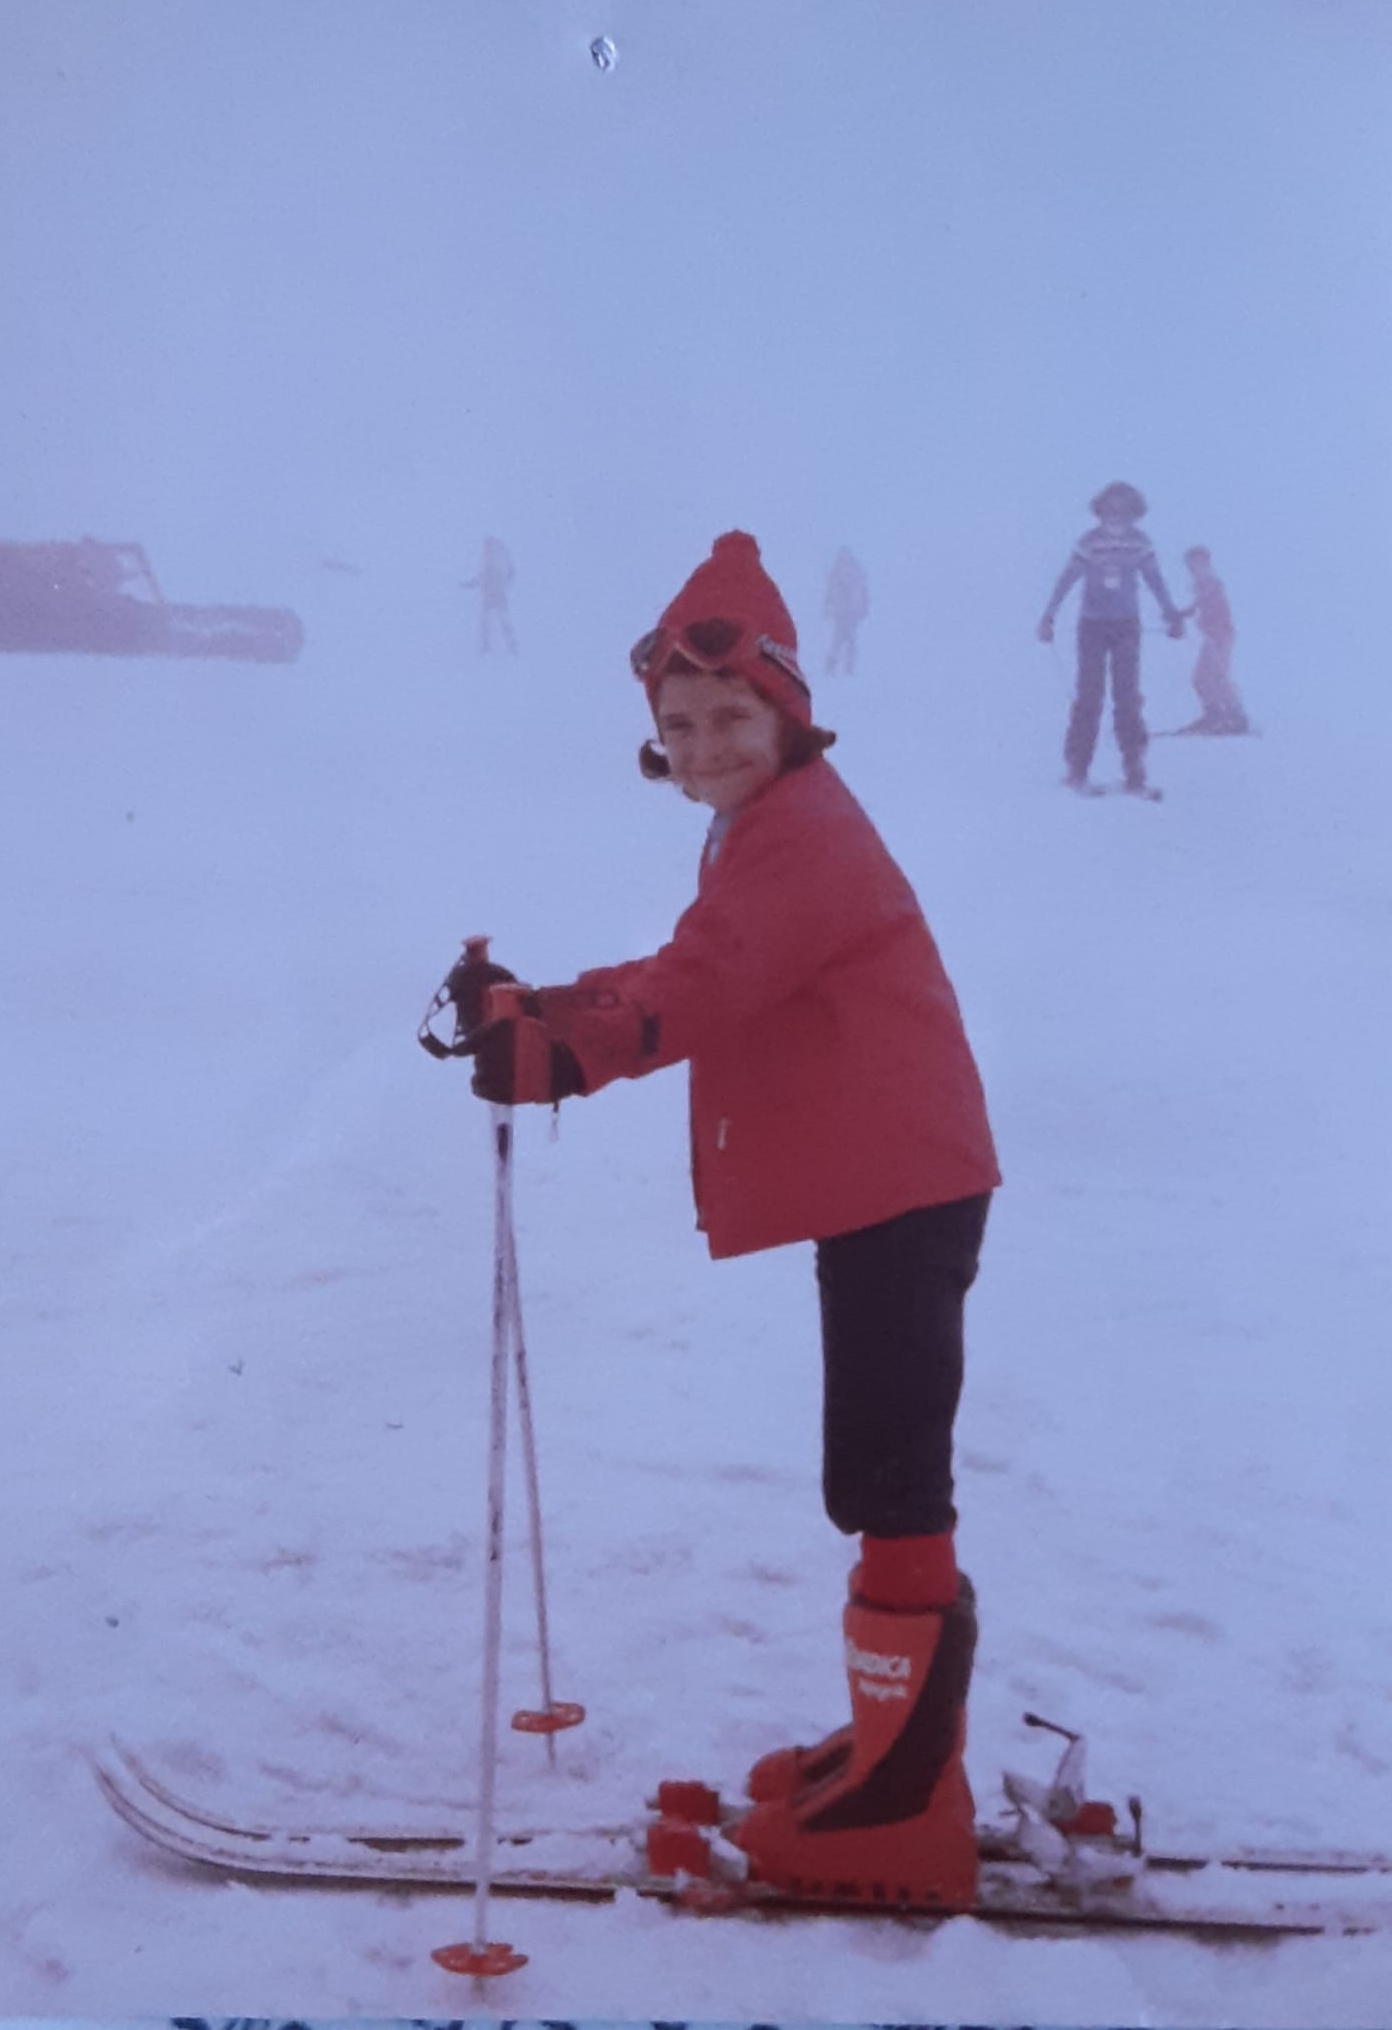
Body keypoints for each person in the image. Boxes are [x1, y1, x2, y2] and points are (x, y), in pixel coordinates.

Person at [454, 530, 1000, 1910]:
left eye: (728, 717)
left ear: (787, 712)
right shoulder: (764, 826)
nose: (702, 743)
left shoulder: (800, 833)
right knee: (876, 1474)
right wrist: (548, 1010)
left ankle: (899, 1810)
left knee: (889, 1479)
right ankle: (893, 1754)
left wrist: (572, 1053)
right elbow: (693, 966)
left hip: (899, 1184)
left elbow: (711, 982)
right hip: (886, 1178)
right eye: (678, 724)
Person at [1037, 482, 1184, 795]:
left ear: (1134, 513)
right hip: (1091, 626)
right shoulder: (1089, 543)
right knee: (1089, 697)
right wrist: (1048, 615)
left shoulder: (1139, 543)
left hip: (1126, 627)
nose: (1117, 516)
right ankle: (1077, 770)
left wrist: (1170, 613)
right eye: (1111, 509)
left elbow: (1155, 580)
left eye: (1124, 510)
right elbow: (1067, 579)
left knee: (1127, 698)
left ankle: (1135, 773)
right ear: (1100, 510)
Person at [1175, 546, 1251, 734]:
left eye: (1198, 564)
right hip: (1212, 637)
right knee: (1201, 678)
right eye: (1191, 565)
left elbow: (1201, 602)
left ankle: (1235, 717)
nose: (1193, 569)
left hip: (1220, 636)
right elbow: (1196, 606)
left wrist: (1181, 614)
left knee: (1217, 677)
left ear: (1206, 564)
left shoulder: (1211, 583)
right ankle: (1215, 715)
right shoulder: (1201, 585)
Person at [461, 535, 518, 656]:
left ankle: (504, 645)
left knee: (496, 621)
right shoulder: (496, 560)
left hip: (493, 595)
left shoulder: (492, 561)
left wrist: (471, 584)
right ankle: (507, 645)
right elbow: (485, 577)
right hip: (494, 595)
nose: (484, 550)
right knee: (494, 621)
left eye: (486, 547)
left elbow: (483, 577)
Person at [823, 545, 870, 674]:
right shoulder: (851, 571)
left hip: (846, 611)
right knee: (845, 639)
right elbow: (831, 592)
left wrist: (827, 607)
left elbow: (831, 592)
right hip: (846, 611)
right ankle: (843, 667)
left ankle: (836, 667)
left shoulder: (840, 571)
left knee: (842, 639)